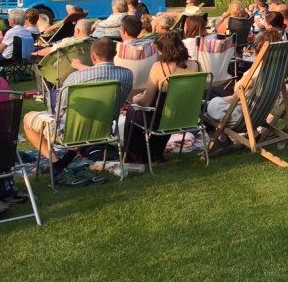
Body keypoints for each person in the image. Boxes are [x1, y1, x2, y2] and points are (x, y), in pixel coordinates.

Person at [22, 37, 133, 176]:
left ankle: (56, 162)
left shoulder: (76, 78)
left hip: (72, 132)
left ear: (93, 57)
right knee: (86, 117)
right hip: (104, 128)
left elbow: (59, 109)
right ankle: (67, 157)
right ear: (115, 54)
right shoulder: (127, 75)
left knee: (28, 118)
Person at [123, 32, 202, 164]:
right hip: (185, 117)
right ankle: (155, 153)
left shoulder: (159, 67)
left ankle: (136, 156)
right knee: (162, 111)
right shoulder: (196, 65)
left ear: (163, 51)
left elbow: (146, 101)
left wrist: (135, 99)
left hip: (161, 119)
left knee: (133, 108)